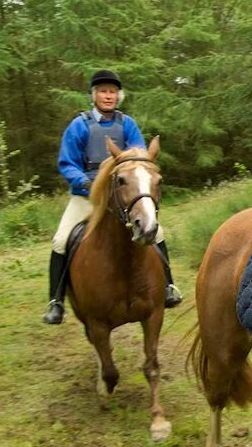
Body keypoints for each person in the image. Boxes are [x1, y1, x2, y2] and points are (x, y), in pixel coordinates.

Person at [41, 69, 183, 324]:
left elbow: (139, 155)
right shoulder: (79, 125)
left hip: (121, 194)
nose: (109, 96)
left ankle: (168, 287)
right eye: (104, 91)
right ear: (94, 95)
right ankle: (56, 301)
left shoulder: (126, 123)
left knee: (156, 232)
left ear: (119, 95)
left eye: (113, 92)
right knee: (61, 240)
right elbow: (67, 163)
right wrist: (85, 182)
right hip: (88, 196)